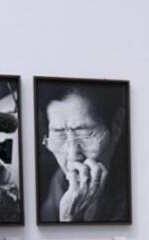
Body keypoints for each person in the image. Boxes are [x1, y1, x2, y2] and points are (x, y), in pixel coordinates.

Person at [38, 85, 129, 223]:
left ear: (117, 125)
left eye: (85, 134)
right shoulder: (59, 182)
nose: (73, 156)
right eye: (58, 132)